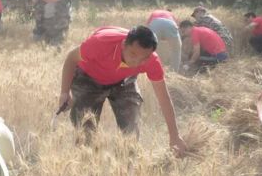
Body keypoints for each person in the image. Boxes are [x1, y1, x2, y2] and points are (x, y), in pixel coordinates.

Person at [58, 25, 187, 155]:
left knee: (130, 131)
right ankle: (86, 166)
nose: (136, 62)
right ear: (124, 44)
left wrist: (174, 136)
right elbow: (71, 58)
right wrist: (64, 92)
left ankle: (126, 166)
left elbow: (163, 98)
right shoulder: (100, 43)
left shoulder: (152, 61)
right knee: (86, 132)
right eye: (133, 54)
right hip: (89, 78)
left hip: (124, 81)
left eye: (143, 58)